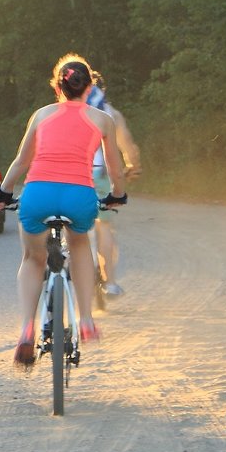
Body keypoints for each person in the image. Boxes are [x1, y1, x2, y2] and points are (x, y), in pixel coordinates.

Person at [0, 54, 127, 369]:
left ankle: (26, 328)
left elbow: (22, 161)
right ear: (88, 86)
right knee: (79, 245)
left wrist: (3, 191)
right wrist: (117, 195)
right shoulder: (103, 119)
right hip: (80, 196)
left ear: (57, 86)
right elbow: (115, 169)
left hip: (38, 194)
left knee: (32, 258)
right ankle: (87, 320)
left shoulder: (41, 115)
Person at [86, 74, 142, 298]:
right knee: (103, 227)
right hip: (99, 175)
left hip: (69, 175)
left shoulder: (65, 110)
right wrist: (133, 166)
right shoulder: (111, 113)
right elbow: (128, 145)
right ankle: (110, 283)